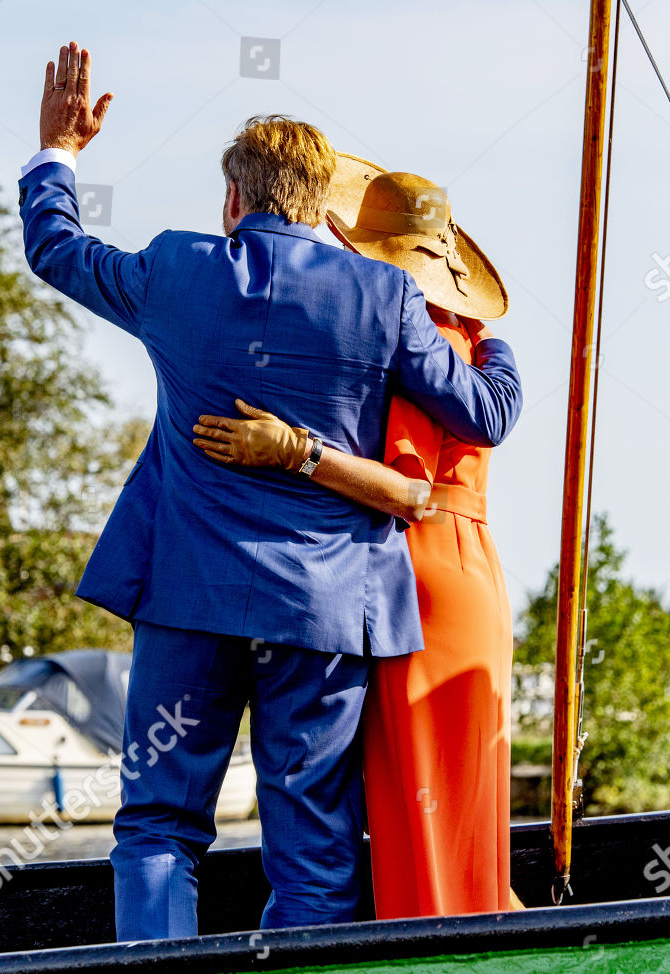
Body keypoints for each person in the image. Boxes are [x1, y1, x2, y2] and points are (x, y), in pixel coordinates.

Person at [20, 43, 522, 940]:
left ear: (232, 201)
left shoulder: (175, 270)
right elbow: (486, 415)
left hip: (188, 601)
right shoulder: (383, 296)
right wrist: (489, 325)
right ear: (318, 204)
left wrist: (59, 151)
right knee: (315, 843)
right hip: (326, 616)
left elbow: (55, 248)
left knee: (157, 826)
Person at [193, 155, 516, 917]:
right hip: (475, 574)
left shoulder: (406, 339)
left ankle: (435, 957)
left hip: (414, 572)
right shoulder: (478, 343)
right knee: (465, 801)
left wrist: (294, 449)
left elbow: (409, 494)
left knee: (415, 803)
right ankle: (479, 930)